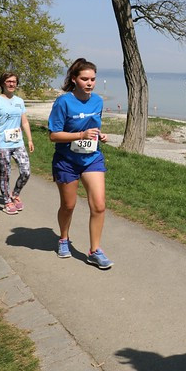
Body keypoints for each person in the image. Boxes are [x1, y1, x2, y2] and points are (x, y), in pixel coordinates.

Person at [48, 58, 112, 269]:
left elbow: (93, 128)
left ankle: (95, 251)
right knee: (68, 205)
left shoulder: (98, 101)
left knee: (100, 206)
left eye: (93, 79)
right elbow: (54, 135)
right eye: (84, 79)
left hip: (91, 158)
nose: (89, 83)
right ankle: (63, 238)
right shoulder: (63, 102)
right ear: (74, 79)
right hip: (67, 160)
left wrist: (99, 136)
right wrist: (80, 134)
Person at [0, 72, 34, 215]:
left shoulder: (19, 101)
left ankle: (15, 193)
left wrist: (30, 139)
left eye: (14, 81)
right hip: (2, 144)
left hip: (18, 142)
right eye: (8, 81)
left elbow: (24, 121)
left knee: (26, 171)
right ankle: (7, 201)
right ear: (3, 83)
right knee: (5, 173)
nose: (12, 84)